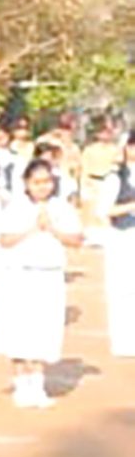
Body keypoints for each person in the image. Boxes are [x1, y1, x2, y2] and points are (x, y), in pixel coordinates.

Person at [0, 160, 82, 407]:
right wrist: (32, 228)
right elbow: (4, 240)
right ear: (27, 184)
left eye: (47, 181)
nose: (43, 187)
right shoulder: (15, 207)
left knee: (44, 329)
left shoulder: (61, 207)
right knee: (19, 328)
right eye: (37, 182)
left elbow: (75, 239)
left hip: (49, 275)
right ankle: (21, 383)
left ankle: (38, 385)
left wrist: (52, 228)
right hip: (20, 275)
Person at [100, 132, 135, 360]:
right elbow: (104, 210)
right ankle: (123, 340)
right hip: (122, 237)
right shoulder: (115, 178)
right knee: (121, 290)